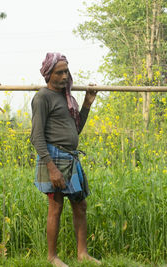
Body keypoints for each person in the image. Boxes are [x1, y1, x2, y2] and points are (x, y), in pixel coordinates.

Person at [30, 52, 100, 267]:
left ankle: (82, 254)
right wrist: (51, 168)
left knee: (80, 205)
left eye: (66, 71)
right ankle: (52, 257)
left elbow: (75, 129)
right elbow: (36, 136)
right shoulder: (42, 98)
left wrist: (87, 103)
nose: (64, 76)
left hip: (71, 158)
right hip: (54, 157)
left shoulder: (67, 97)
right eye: (59, 72)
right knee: (56, 206)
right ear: (48, 74)